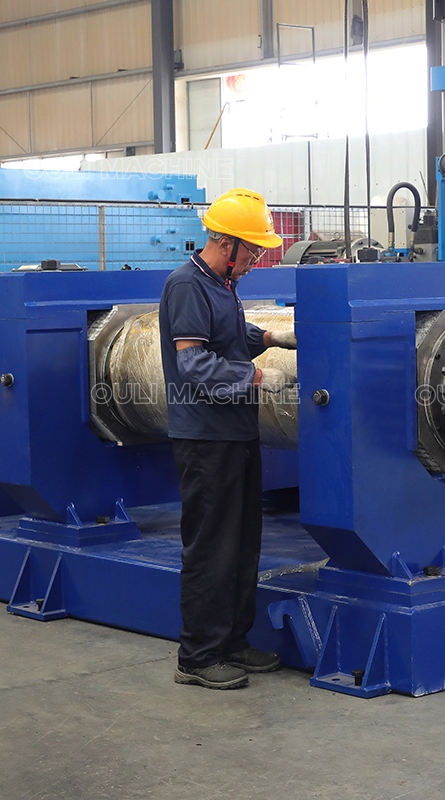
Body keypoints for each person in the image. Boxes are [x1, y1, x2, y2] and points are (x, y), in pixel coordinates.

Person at [158, 188, 297, 690]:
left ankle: (232, 643)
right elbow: (195, 363)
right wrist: (258, 377)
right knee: (211, 548)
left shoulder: (223, 284)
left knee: (241, 544)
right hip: (206, 440)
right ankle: (197, 657)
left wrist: (272, 338)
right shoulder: (187, 286)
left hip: (236, 434)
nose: (257, 258)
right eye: (253, 249)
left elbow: (230, 336)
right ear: (226, 243)